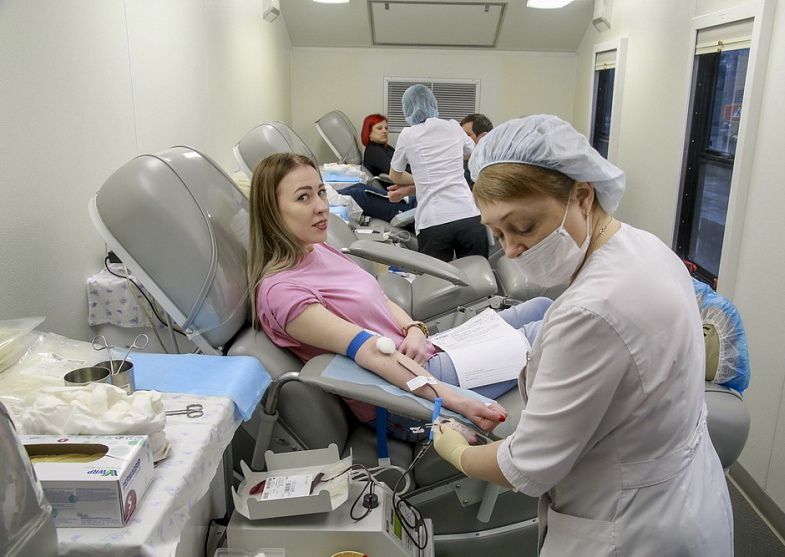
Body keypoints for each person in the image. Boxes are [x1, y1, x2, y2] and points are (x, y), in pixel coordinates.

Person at [432, 115, 733, 555]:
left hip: (629, 528)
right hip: (687, 495)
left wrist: (457, 452)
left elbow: (527, 467)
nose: (511, 249)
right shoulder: (645, 245)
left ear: (583, 196)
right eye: (497, 233)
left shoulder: (590, 312)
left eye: (524, 227)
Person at [247, 151, 552, 441]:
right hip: (405, 394)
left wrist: (415, 330)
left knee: (542, 307)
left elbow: (381, 299)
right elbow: (370, 352)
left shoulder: (316, 248)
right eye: (303, 197)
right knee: (550, 333)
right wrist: (458, 402)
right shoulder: (283, 294)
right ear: (272, 211)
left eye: (321, 192)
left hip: (422, 353)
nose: (321, 206)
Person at [388, 85, 489, 262]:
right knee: (478, 274)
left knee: (436, 278)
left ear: (407, 109)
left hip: (434, 222)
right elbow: (473, 153)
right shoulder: (453, 126)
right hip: (468, 216)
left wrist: (422, 179)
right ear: (432, 103)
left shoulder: (408, 135)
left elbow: (395, 175)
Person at [336, 114, 417, 229]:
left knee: (356, 193)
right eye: (379, 128)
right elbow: (395, 172)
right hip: (407, 197)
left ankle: (326, 196)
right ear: (368, 132)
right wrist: (419, 179)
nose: (384, 131)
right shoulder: (375, 151)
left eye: (386, 128)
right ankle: (327, 196)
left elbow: (401, 169)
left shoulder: (384, 148)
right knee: (358, 189)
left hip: (411, 205)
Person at [461, 113, 494, 188]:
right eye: (461, 135)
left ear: (484, 137)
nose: (462, 139)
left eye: (467, 135)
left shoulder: (486, 167)